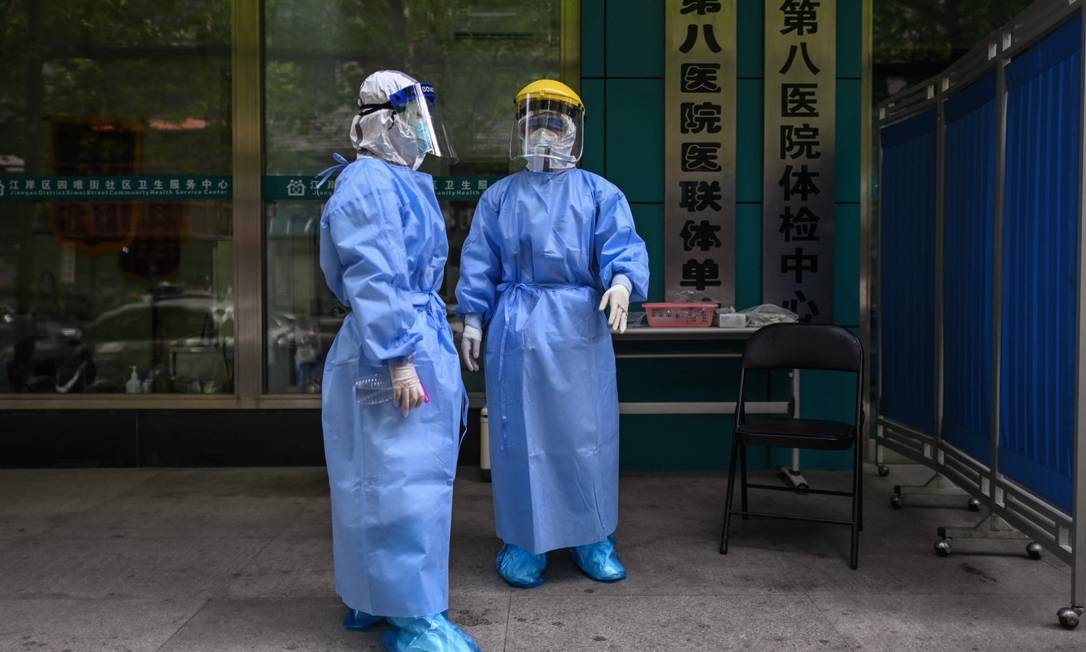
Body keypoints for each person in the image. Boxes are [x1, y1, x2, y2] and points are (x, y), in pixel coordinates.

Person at [455, 79, 650, 588]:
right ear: (519, 130)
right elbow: (480, 260)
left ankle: (593, 536)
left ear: (573, 131)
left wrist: (624, 282)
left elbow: (622, 247)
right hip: (517, 327)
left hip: (578, 326)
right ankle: (523, 540)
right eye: (534, 123)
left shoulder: (599, 193)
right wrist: (472, 316)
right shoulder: (500, 197)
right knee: (519, 438)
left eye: (554, 124)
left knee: (586, 436)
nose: (543, 133)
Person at [318, 70, 479, 652]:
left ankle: (370, 597)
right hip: (391, 346)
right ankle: (413, 616)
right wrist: (398, 356)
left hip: (402, 338)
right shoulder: (368, 182)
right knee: (402, 480)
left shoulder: (397, 180)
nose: (420, 129)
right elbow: (374, 274)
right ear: (381, 120)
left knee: (378, 475)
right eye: (411, 116)